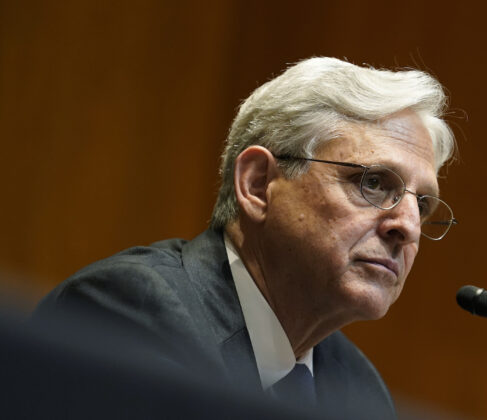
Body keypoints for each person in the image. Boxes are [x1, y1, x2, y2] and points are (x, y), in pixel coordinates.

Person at [33, 57, 457, 418]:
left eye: (421, 205)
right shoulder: (134, 313)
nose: (407, 226)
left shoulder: (360, 393)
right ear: (257, 185)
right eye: (373, 183)